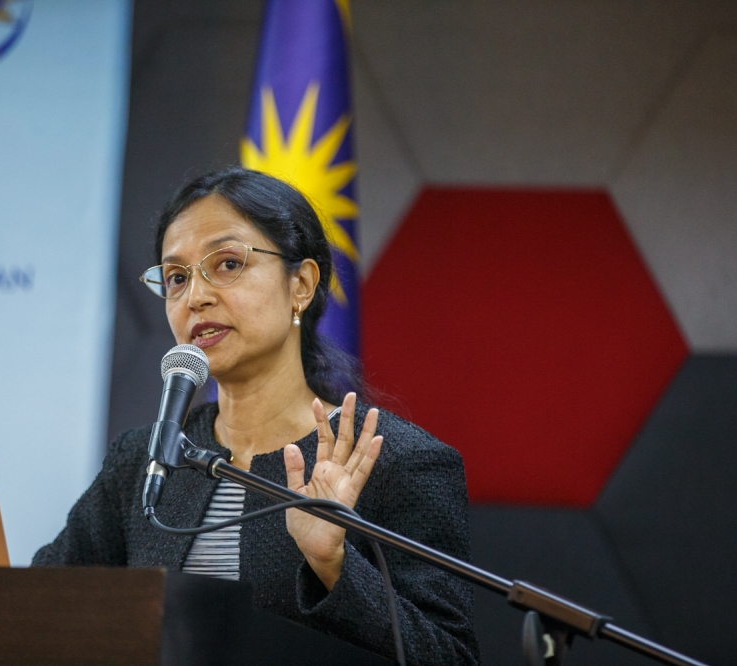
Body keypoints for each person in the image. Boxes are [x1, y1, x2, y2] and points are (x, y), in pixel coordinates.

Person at [32, 168, 480, 664]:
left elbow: (451, 658)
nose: (195, 297)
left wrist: (333, 565)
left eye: (226, 264)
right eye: (177, 278)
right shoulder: (144, 460)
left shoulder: (395, 460)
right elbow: (44, 605)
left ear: (302, 285)